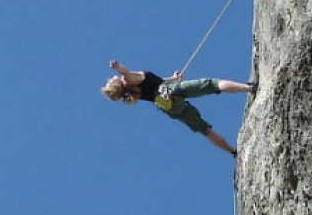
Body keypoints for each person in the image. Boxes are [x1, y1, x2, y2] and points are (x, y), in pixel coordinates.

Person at [101, 59, 255, 159]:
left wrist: (173, 78)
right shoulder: (128, 79)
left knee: (204, 129)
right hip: (170, 91)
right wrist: (117, 66)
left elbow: (156, 83)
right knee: (212, 85)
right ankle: (249, 88)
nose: (110, 78)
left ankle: (233, 153)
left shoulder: (131, 93)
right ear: (117, 84)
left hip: (168, 106)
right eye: (110, 81)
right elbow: (125, 71)